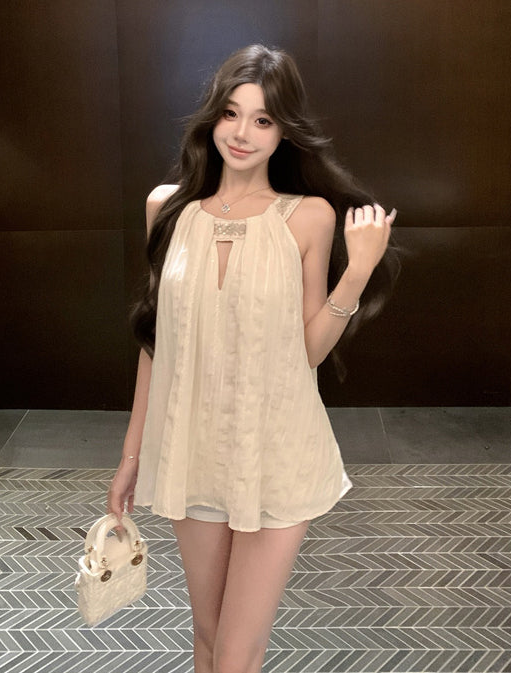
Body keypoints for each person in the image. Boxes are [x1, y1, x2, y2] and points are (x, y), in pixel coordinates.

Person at [107, 44, 398, 673]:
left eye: (263, 120)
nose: (242, 133)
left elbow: (308, 351)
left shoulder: (309, 217)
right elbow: (157, 343)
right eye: (231, 113)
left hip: (276, 450)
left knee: (237, 652)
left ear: (283, 131)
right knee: (208, 636)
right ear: (212, 117)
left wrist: (357, 273)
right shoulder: (166, 209)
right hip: (190, 450)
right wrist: (132, 456)